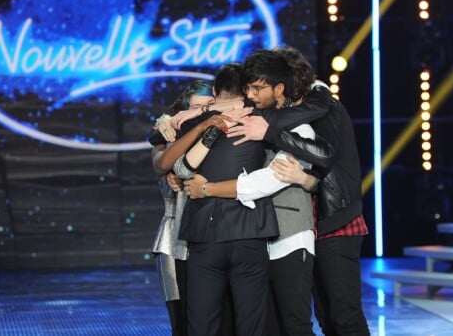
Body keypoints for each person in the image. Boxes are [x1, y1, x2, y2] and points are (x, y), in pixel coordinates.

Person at [182, 48, 333, 336]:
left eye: (257, 88)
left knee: (295, 324)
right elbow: (183, 164)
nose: (250, 95)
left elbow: (267, 180)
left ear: (279, 88)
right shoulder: (246, 118)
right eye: (247, 88)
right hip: (257, 235)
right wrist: (205, 112)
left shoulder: (297, 126)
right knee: (266, 325)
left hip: (288, 236)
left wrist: (208, 188)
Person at [226, 50, 371, 335]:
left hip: (336, 219)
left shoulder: (325, 108)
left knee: (343, 315)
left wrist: (271, 134)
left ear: (286, 83)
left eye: (265, 86)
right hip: (308, 222)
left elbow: (324, 156)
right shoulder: (286, 113)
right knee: (325, 315)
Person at [148, 81, 215, 336]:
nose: (203, 112)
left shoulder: (218, 135)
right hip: (174, 234)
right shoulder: (165, 138)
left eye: (208, 106)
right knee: (182, 322)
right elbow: (159, 164)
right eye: (196, 107)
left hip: (211, 233)